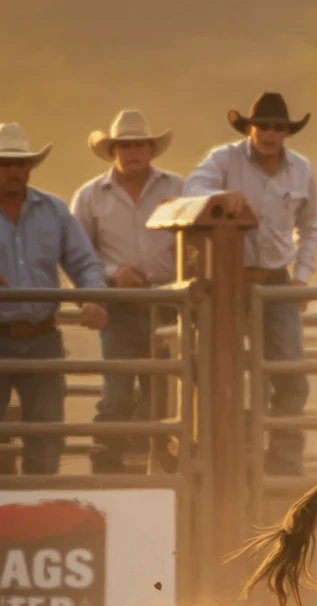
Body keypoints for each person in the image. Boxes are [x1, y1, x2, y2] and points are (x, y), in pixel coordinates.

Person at [184, 92, 317, 476]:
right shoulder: (223, 160)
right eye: (264, 126)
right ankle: (235, 460)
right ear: (249, 128)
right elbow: (192, 190)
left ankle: (283, 465)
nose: (271, 133)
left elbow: (310, 225)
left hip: (276, 283)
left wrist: (302, 277)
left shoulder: (302, 169)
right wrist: (221, 196)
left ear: (287, 133)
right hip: (226, 284)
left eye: (279, 127)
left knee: (290, 376)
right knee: (225, 375)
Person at [71, 110, 184, 473]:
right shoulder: (89, 196)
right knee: (116, 395)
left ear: (151, 150)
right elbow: (78, 253)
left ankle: (161, 465)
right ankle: (107, 464)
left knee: (162, 396)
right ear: (112, 151)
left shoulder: (178, 188)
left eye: (139, 144)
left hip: (165, 303)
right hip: (117, 306)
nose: (133, 151)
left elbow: (193, 241)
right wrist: (112, 273)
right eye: (125, 145)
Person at [0, 123, 107, 475]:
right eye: (5, 163)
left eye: (19, 164)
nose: (12, 171)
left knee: (46, 434)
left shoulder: (54, 210)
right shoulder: (54, 209)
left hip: (42, 335)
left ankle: (38, 505)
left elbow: (83, 261)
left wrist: (92, 299)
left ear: (30, 167)